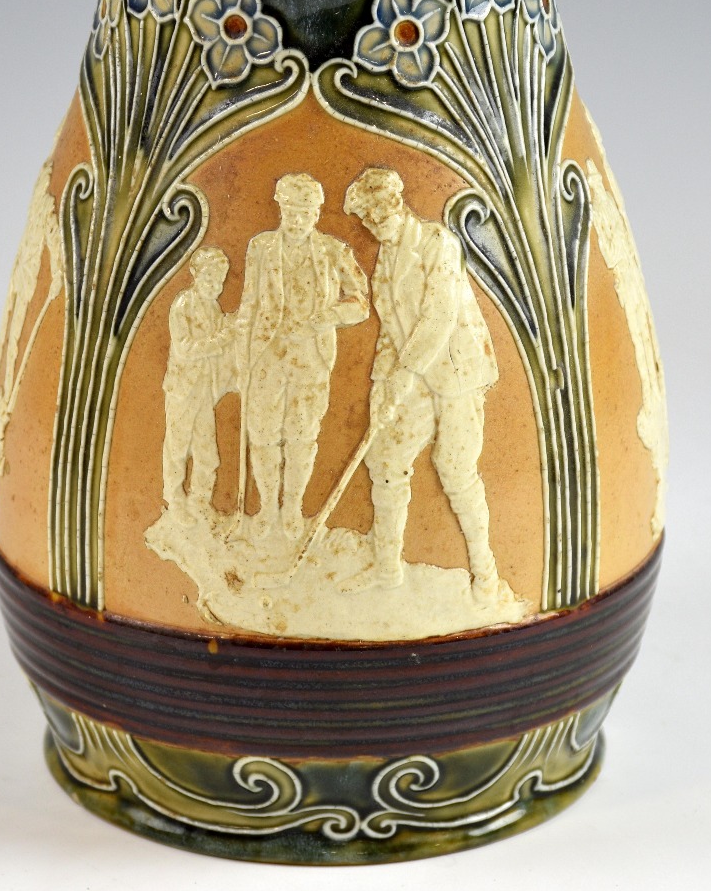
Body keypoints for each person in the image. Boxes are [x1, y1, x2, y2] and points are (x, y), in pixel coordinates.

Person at [341, 168, 500, 598]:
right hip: (413, 373)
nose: (372, 227)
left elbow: (439, 315)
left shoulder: (437, 245)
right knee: (386, 460)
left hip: (457, 373)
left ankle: (484, 571)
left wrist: (404, 374)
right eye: (366, 222)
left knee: (456, 469)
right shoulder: (385, 263)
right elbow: (391, 331)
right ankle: (387, 570)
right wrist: (382, 387)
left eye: (376, 216)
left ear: (395, 206)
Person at [237, 173, 368, 540]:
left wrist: (327, 317)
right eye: (290, 211)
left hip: (311, 356)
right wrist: (240, 350)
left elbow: (361, 302)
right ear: (280, 208)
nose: (296, 219)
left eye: (305, 212)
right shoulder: (261, 247)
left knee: (301, 434)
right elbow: (248, 303)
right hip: (267, 354)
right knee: (262, 433)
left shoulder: (333, 251)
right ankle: (266, 508)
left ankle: (292, 508)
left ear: (317, 214)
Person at [162, 247, 235, 522]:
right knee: (178, 445)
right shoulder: (184, 305)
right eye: (209, 278)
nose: (215, 285)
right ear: (195, 275)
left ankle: (200, 502)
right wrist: (220, 341)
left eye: (219, 280)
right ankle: (175, 501)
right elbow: (185, 349)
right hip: (182, 388)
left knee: (207, 452)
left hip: (204, 389)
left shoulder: (212, 306)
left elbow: (221, 339)